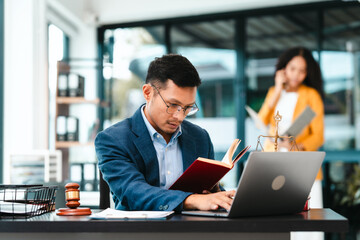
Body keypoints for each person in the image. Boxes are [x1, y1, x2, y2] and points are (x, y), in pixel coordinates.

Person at [95, 54, 235, 212]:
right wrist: (191, 200)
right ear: (148, 93)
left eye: (188, 107)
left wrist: (221, 195)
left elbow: (208, 196)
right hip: (138, 232)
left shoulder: (200, 137)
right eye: (173, 105)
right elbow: (133, 193)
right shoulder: (112, 140)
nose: (179, 116)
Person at [258, 46, 325, 208]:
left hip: (301, 163)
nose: (296, 74)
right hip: (274, 162)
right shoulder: (274, 92)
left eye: (302, 71)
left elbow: (318, 136)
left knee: (307, 216)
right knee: (276, 213)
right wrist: (278, 89)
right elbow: (261, 120)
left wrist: (296, 146)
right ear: (284, 69)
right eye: (293, 68)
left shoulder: (311, 96)